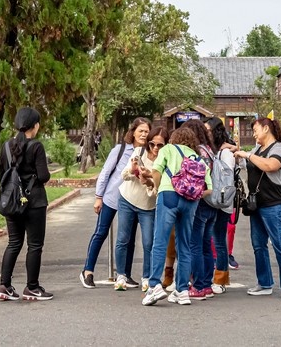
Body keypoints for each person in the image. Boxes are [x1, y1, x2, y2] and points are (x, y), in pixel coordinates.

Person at [139, 122, 213, 307]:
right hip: (190, 202)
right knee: (184, 245)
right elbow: (208, 189)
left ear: (174, 138)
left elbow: (156, 172)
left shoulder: (168, 149)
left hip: (169, 196)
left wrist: (158, 188)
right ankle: (182, 290)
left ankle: (154, 285)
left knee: (160, 242)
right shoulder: (198, 157)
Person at [229, 116, 281, 300]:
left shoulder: (279, 148)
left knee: (279, 244)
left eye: (255, 130)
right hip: (257, 205)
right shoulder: (258, 149)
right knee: (258, 245)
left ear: (266, 129)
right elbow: (247, 163)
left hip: (275, 205)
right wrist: (237, 152)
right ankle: (265, 283)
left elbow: (270, 165)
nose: (254, 134)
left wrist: (248, 155)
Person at [80, 118, 148, 289]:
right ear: (133, 132)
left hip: (132, 200)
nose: (144, 134)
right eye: (141, 131)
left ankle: (125, 274)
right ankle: (87, 271)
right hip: (112, 197)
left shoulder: (147, 153)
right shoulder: (121, 150)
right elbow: (105, 173)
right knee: (101, 232)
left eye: (147, 132)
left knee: (129, 238)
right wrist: (98, 196)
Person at [0, 107, 53, 301]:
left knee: (14, 243)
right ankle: (32, 287)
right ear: (35, 126)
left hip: (11, 202)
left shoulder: (6, 146)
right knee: (34, 245)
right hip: (34, 201)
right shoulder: (36, 146)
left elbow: (1, 176)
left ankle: (4, 285)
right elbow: (44, 176)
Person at [115, 124, 165, 292]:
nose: (155, 148)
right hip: (127, 199)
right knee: (123, 239)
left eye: (160, 145)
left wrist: (149, 181)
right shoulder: (139, 152)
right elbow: (124, 176)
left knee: (148, 242)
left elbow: (158, 191)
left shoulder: (163, 162)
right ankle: (121, 275)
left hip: (148, 206)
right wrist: (134, 170)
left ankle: (147, 277)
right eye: (152, 144)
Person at [204, 116, 238, 293]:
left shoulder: (225, 152)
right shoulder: (210, 150)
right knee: (209, 240)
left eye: (208, 130)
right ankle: (209, 277)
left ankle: (221, 279)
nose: (205, 133)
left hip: (222, 200)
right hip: (210, 199)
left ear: (216, 131)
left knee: (218, 240)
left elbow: (226, 177)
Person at [187, 120, 218, 300]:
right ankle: (207, 284)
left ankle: (197, 286)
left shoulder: (196, 152)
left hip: (199, 201)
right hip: (212, 202)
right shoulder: (209, 150)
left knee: (195, 245)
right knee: (206, 245)